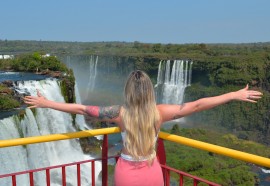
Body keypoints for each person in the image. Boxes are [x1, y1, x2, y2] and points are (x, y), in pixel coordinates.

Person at [24, 70, 263, 186]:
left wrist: (46, 103)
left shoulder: (119, 113)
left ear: (128, 91)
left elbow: (83, 110)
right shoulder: (160, 112)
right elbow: (198, 105)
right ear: (150, 90)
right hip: (151, 170)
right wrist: (233, 94)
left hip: (126, 171)